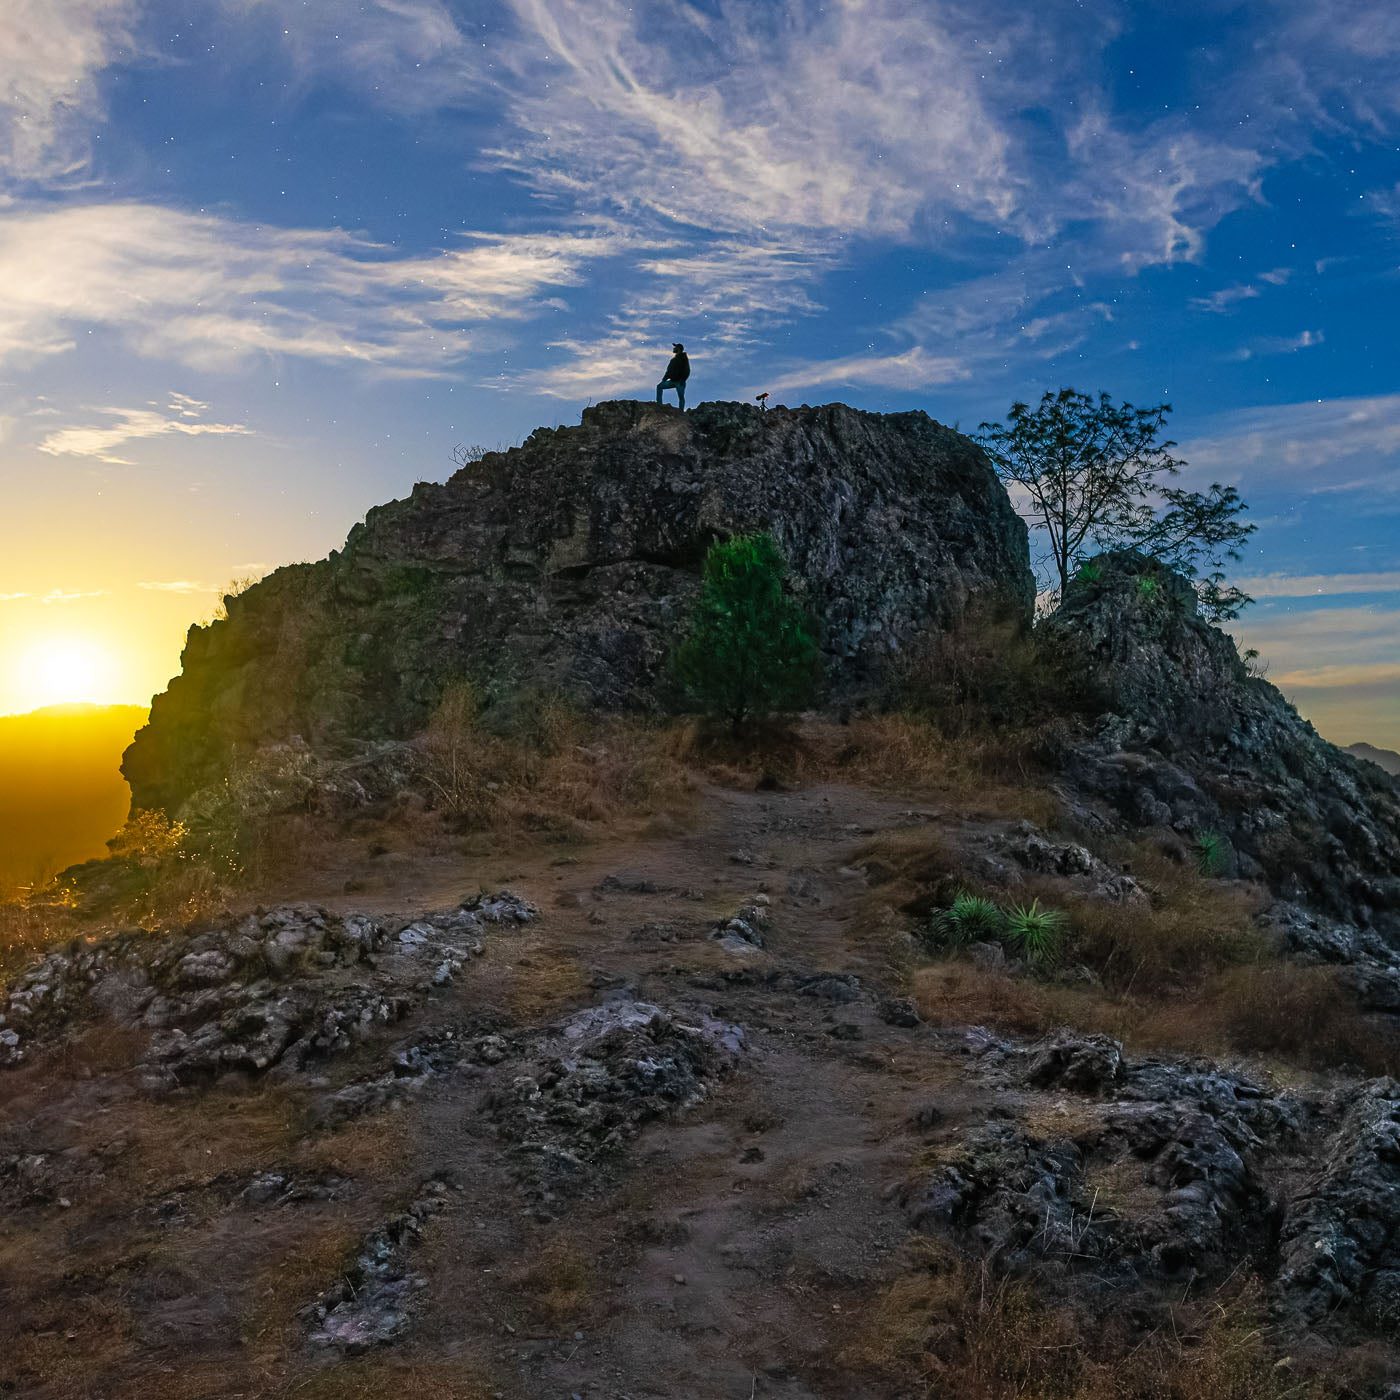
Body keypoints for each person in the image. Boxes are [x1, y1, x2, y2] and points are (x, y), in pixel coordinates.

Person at [656, 342, 690, 410]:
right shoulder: (673, 360)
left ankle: (681, 413)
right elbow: (668, 371)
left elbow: (687, 370)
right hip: (672, 381)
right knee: (659, 386)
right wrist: (664, 380)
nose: (674, 348)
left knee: (681, 397)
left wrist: (682, 380)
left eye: (675, 347)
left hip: (680, 382)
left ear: (679, 349)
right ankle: (659, 405)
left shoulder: (683, 358)